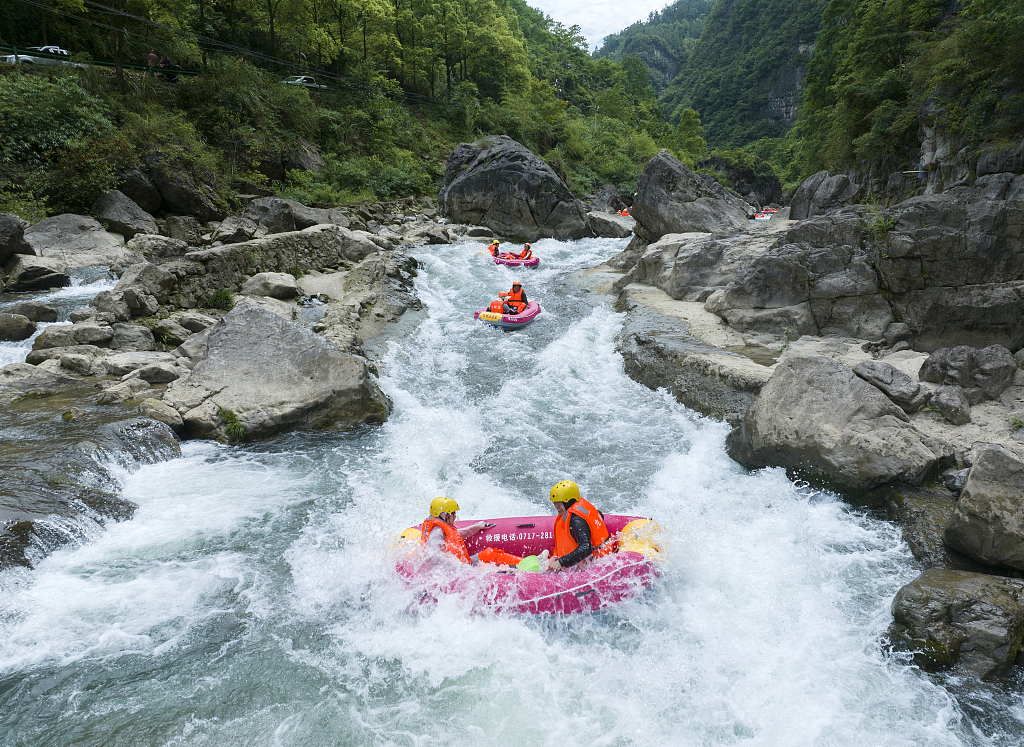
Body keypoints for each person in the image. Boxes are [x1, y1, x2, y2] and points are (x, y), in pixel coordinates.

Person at [420, 497, 522, 566]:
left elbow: (457, 535)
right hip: (457, 571)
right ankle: (524, 568)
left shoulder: (442, 529)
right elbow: (433, 556)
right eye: (453, 513)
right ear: (445, 515)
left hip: (463, 565)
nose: (455, 516)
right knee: (490, 561)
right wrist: (460, 568)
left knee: (490, 553)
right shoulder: (437, 532)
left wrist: (477, 527)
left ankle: (523, 563)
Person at [545, 480, 613, 573]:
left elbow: (586, 548)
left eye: (559, 503)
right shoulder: (577, 511)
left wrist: (561, 562)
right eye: (554, 503)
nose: (556, 506)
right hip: (588, 557)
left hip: (597, 563)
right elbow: (599, 515)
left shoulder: (576, 521)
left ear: (569, 501)